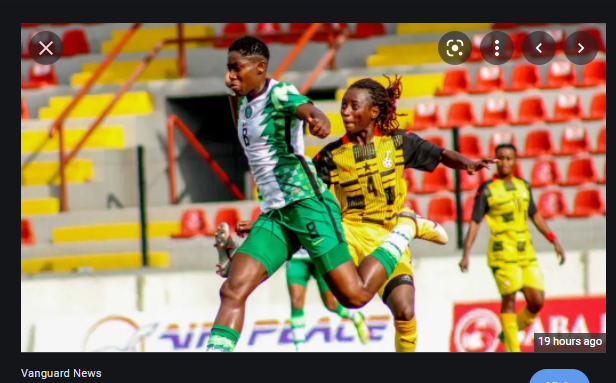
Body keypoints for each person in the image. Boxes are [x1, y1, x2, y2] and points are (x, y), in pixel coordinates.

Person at [206, 36, 439, 352]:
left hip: (308, 206)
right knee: (233, 290)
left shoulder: (280, 93)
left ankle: (404, 229)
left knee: (354, 297)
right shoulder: (241, 101)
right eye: (228, 69)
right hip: (277, 213)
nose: (229, 76)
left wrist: (317, 120)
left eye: (236, 69)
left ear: (260, 68)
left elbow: (311, 111)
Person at [459, 143, 566, 352]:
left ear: (515, 161)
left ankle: (507, 333)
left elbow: (535, 215)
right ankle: (513, 351)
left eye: (509, 158)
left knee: (537, 300)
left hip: (525, 251)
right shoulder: (488, 189)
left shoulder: (524, 186)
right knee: (509, 298)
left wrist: (553, 239)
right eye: (501, 158)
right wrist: (466, 253)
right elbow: (475, 222)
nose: (506, 162)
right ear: (496, 161)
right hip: (502, 253)